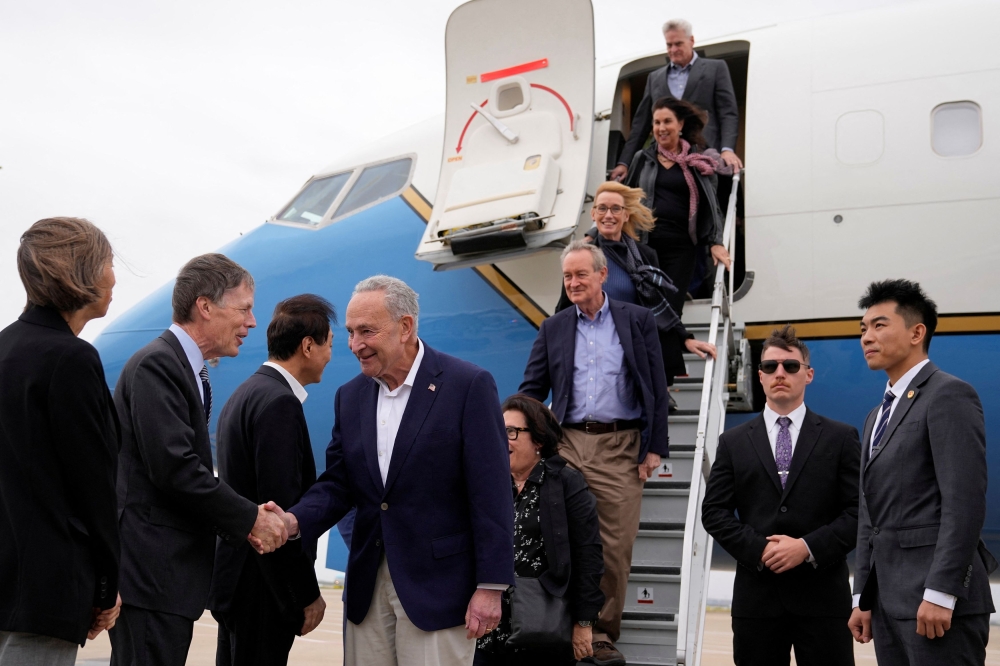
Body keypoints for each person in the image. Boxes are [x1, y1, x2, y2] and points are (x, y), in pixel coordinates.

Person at [274, 275, 515, 666]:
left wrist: (491, 586)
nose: (354, 345)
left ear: (405, 327)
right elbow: (338, 483)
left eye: (367, 331)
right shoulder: (349, 397)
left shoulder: (467, 385)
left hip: (439, 590)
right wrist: (292, 521)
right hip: (368, 588)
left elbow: (491, 493)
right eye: (351, 332)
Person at [110, 254, 288, 666]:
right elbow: (176, 469)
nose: (252, 322)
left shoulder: (186, 369)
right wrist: (250, 519)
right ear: (205, 306)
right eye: (244, 309)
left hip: (167, 579)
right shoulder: (159, 364)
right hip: (152, 576)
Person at [519, 241, 669, 665]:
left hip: (620, 444)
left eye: (581, 274)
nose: (573, 283)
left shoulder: (636, 320)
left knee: (615, 544)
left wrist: (655, 445)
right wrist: (520, 435)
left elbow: (655, 386)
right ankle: (552, 621)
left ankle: (601, 630)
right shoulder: (555, 327)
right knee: (548, 532)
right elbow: (532, 389)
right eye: (567, 276)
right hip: (565, 439)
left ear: (603, 276)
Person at [848, 280, 997, 665]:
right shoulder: (875, 415)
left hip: (935, 605)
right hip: (888, 604)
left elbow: (963, 502)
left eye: (879, 325)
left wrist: (941, 592)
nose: (867, 337)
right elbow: (870, 515)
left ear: (917, 332)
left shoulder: (949, 394)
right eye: (863, 328)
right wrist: (862, 596)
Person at [0, 218, 123, 664]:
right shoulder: (71, 358)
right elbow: (94, 489)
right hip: (45, 591)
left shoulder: (4, 348)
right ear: (85, 271)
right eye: (108, 262)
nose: (114, 276)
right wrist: (106, 589)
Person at [701, 325, 861, 666]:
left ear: (808, 374)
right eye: (771, 367)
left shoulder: (841, 438)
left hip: (823, 601)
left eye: (791, 366)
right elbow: (713, 511)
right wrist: (760, 549)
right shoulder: (733, 442)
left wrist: (806, 548)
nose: (780, 373)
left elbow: (859, 512)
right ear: (759, 376)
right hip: (757, 601)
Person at [208, 294, 338, 665]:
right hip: (262, 591)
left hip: (238, 583)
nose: (331, 354)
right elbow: (277, 516)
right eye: (329, 344)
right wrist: (305, 593)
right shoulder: (279, 403)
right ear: (308, 346)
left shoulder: (244, 393)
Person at [556, 181, 717, 405]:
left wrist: (686, 339)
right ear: (593, 214)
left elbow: (658, 305)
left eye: (615, 209)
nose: (608, 215)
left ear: (626, 215)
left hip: (635, 351)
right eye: (602, 208)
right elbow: (564, 308)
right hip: (593, 352)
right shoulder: (582, 256)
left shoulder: (644, 255)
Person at [474, 395, 605, 666]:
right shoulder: (488, 484)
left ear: (539, 440)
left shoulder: (566, 483)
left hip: (544, 626)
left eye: (511, 432)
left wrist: (583, 622)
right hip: (488, 625)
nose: (502, 439)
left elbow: (588, 555)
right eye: (498, 431)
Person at [623, 97, 731, 329]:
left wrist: (716, 241)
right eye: (656, 122)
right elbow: (623, 200)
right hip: (646, 247)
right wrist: (595, 231)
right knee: (647, 311)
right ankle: (659, 364)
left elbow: (713, 207)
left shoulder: (699, 162)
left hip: (682, 249)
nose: (661, 128)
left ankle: (668, 365)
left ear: (680, 124)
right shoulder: (642, 159)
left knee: (670, 313)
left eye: (667, 121)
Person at [610, 18, 742, 181]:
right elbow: (641, 124)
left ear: (691, 40)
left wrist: (727, 149)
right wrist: (625, 162)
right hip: (664, 158)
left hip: (704, 152)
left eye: (678, 44)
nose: (673, 49)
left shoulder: (715, 68)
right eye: (669, 45)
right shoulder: (654, 78)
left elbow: (728, 113)